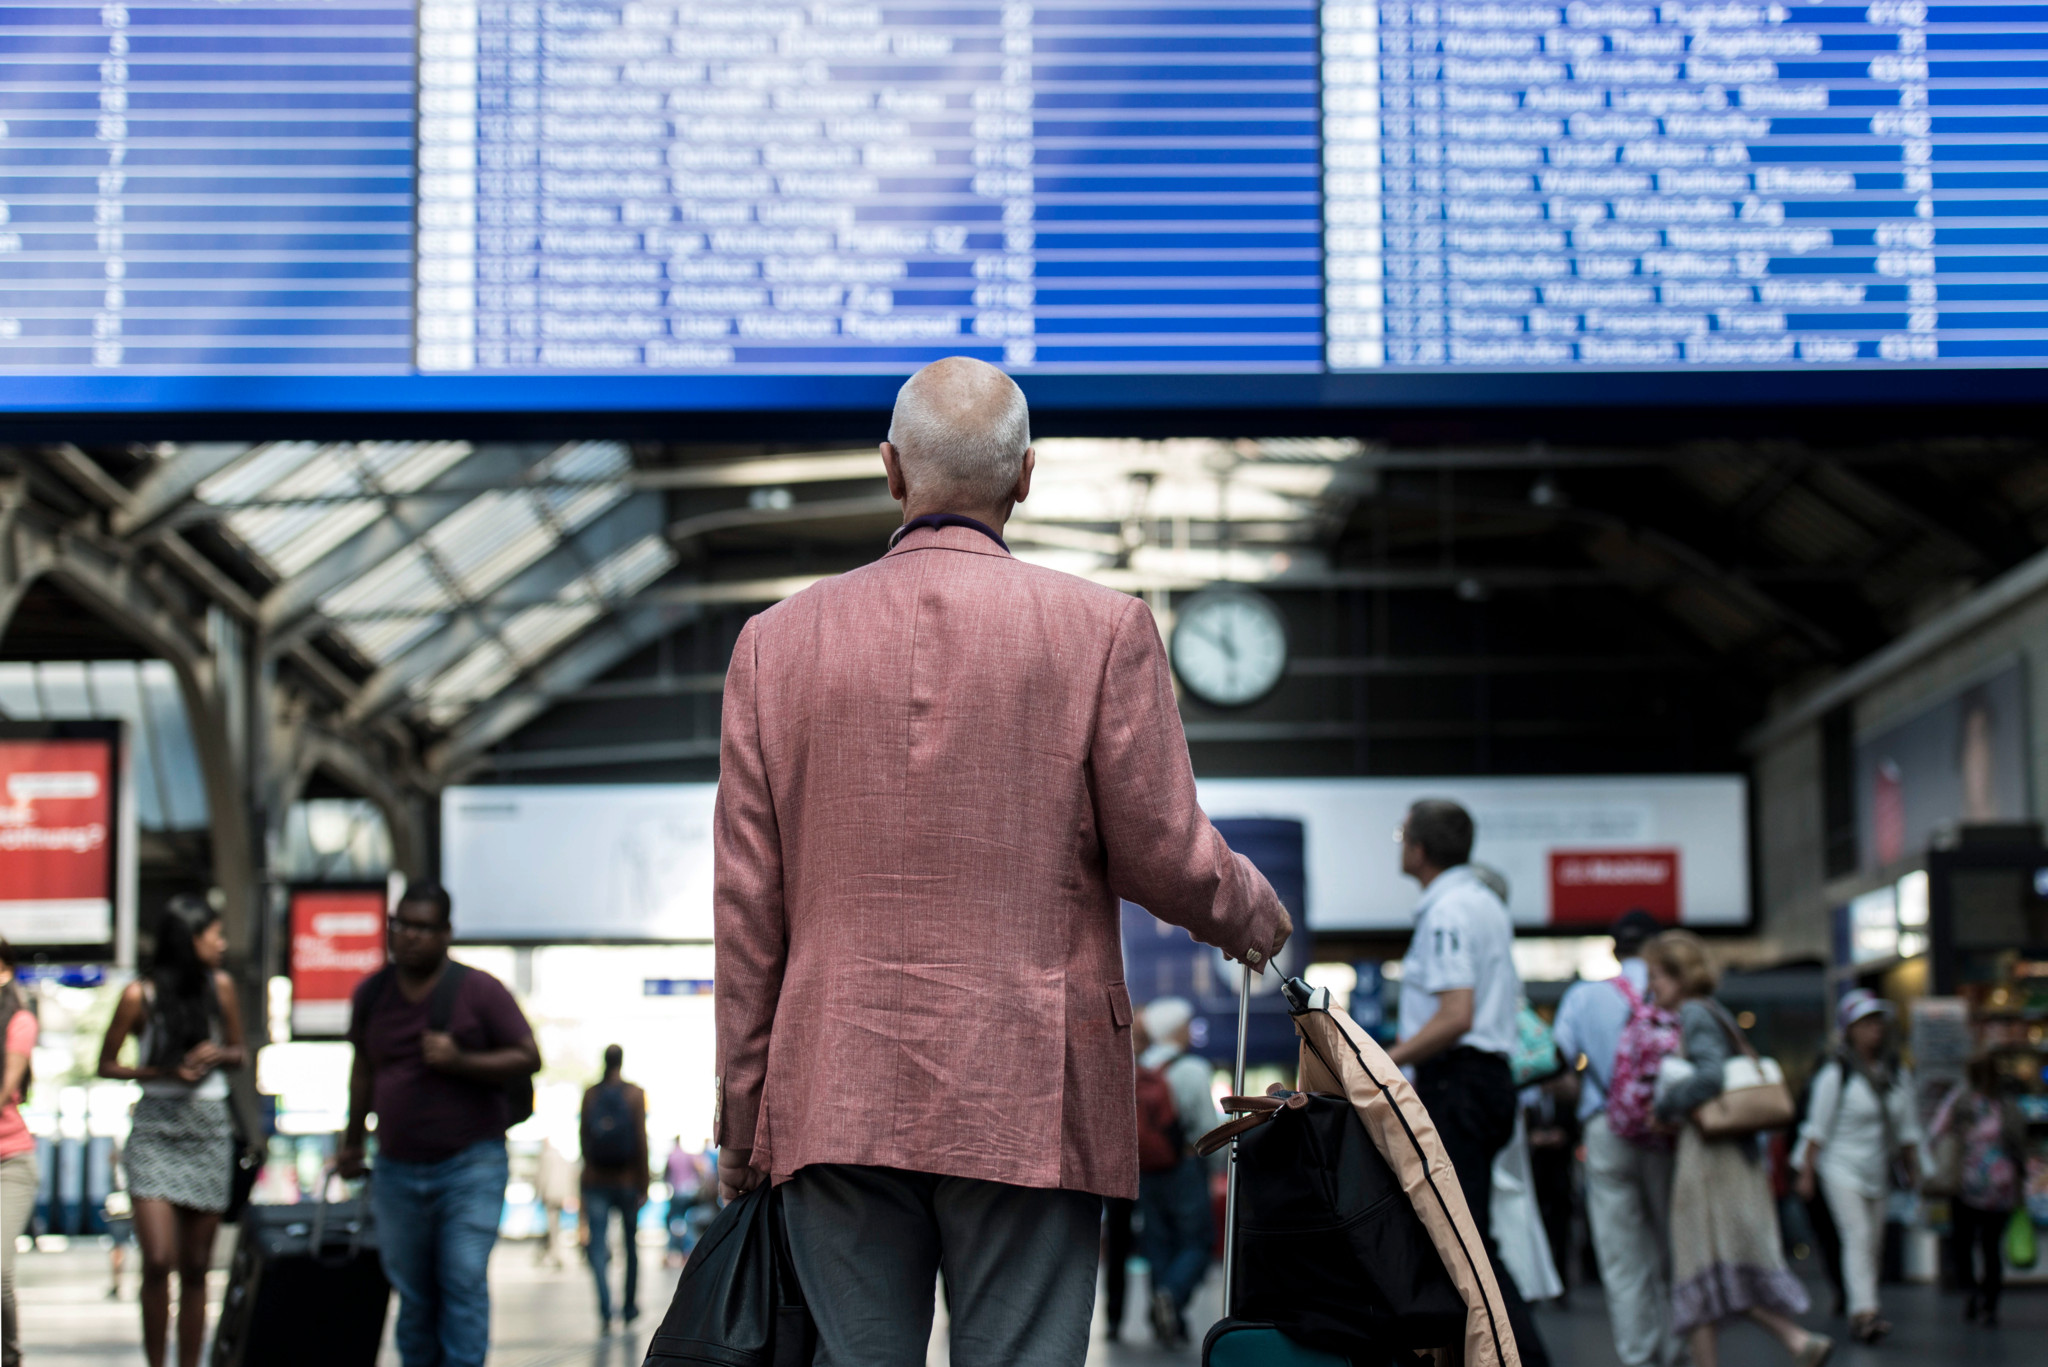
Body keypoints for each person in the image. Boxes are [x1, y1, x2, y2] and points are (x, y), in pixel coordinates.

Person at [712, 356, 1292, 1367]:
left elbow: (747, 908)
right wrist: (1252, 912)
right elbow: (1164, 850)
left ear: (891, 469)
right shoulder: (1100, 628)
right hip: (1029, 1085)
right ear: (1026, 475)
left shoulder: (772, 644)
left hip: (834, 1085)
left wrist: (743, 1112)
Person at [337, 883, 541, 1367]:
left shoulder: (479, 990)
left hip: (470, 1165)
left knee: (462, 1279)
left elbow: (529, 1056)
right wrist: (351, 1142)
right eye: (402, 924)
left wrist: (460, 1060)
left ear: (446, 933)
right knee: (414, 1293)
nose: (410, 936)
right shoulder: (372, 993)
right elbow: (363, 1070)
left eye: (423, 928)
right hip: (395, 1168)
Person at [1385, 799, 1549, 1367]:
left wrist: (1386, 1062)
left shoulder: (1447, 911)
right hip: (1486, 1080)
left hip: (1457, 1082)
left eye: (1402, 837)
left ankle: (1524, 1356)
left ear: (1419, 850)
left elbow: (1456, 1015)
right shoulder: (1484, 902)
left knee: (1462, 1241)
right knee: (1462, 1236)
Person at [1648, 930, 1829, 1367]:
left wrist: (1666, 1104)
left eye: (1656, 976)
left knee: (1698, 1265)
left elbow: (1710, 1077)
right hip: (1729, 1154)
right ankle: (1796, 1341)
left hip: (1710, 1157)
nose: (1651, 986)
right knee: (1713, 1268)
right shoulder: (1713, 1012)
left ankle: (1795, 1340)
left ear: (1678, 976)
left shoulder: (1694, 1013)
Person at [93, 899, 246, 1367]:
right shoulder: (138, 995)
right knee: (158, 1259)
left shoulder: (219, 986)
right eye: (214, 935)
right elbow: (106, 1063)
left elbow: (240, 1052)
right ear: (189, 939)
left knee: (197, 1266)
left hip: (209, 1127)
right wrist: (163, 1071)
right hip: (155, 1128)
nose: (222, 944)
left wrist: (217, 1055)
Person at [1551, 909, 1683, 1367]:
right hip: (1667, 1129)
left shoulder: (1584, 997)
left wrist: (1597, 1091)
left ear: (1613, 949)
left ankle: (1637, 1353)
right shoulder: (1675, 990)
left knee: (1622, 1255)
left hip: (1605, 1127)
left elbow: (1556, 1069)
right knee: (1672, 1243)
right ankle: (1678, 1346)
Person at [1796, 989, 1922, 1346]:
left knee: (1873, 1242)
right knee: (1858, 1235)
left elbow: (1907, 1126)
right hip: (1840, 1167)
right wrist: (1807, 1173)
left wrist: (1912, 1167)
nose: (1874, 1030)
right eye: (1865, 1023)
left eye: (1877, 1022)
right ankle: (1864, 1312)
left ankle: (1864, 1304)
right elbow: (1816, 1130)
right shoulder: (1836, 1074)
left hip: (1877, 1168)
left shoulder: (1895, 1073)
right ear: (1849, 1030)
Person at [1136, 997, 1221, 1347]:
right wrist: (1218, 1163)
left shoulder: (1139, 1066)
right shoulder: (1192, 1069)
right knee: (1197, 1241)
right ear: (1175, 1029)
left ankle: (1168, 1322)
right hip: (1185, 1166)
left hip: (1147, 1169)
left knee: (1158, 1242)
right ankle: (1171, 1293)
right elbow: (1206, 1128)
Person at [1930, 1053, 2026, 1326]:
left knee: (1967, 1245)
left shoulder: (1961, 1099)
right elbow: (2018, 1144)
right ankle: (1988, 1301)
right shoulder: (2005, 1105)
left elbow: (1935, 1132)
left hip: (1968, 1183)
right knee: (1989, 1247)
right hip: (1997, 1185)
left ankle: (1974, 1293)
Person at [581, 1044, 651, 1333]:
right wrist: (644, 1182)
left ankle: (605, 1309)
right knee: (630, 1245)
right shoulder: (634, 1094)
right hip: (627, 1181)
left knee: (598, 1247)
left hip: (596, 1181)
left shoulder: (590, 1094)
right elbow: (641, 1139)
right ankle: (629, 1307)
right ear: (621, 1062)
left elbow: (584, 1139)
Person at [2, 938, 41, 1367]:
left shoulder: (19, 1019)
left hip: (8, 1161)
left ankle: (9, 1356)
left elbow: (5, 1088)